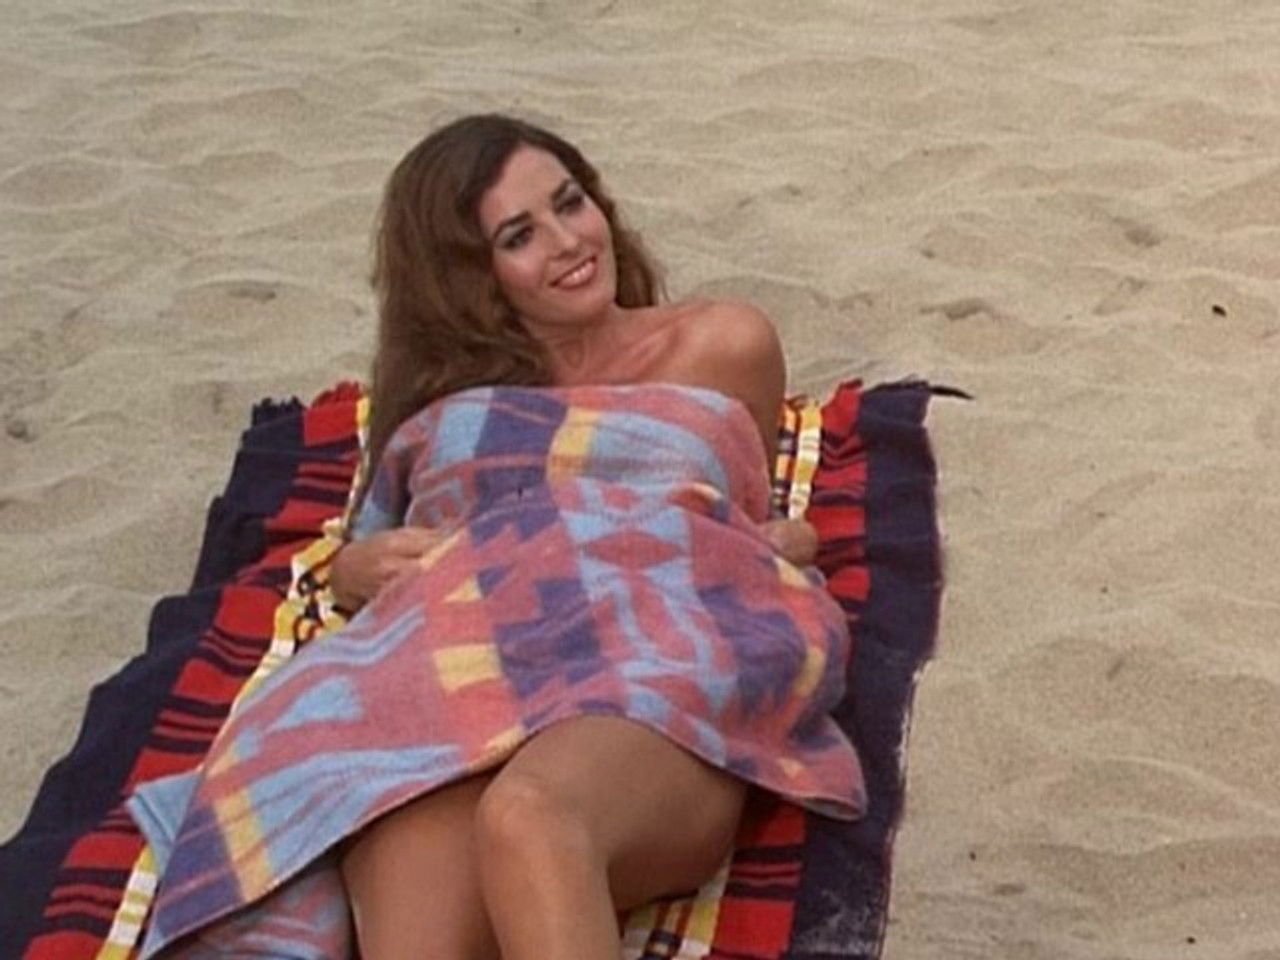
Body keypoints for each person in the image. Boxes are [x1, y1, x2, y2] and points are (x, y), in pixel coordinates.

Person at [126, 113, 864, 960]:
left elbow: (739, 518)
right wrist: (354, 566)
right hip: (458, 667)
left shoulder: (721, 344)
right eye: (519, 235)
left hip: (642, 655)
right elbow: (381, 533)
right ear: (469, 278)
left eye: (570, 202)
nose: (568, 241)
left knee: (530, 817)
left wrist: (765, 545)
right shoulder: (447, 409)